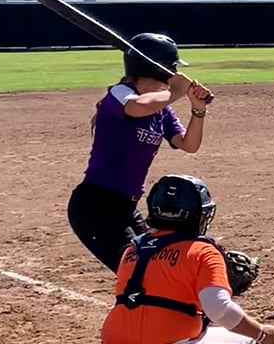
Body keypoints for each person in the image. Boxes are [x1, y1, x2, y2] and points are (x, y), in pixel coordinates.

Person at [93, 174, 274, 344]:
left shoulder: (132, 250)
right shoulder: (203, 251)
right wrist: (262, 332)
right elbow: (220, 311)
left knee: (142, 325)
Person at [67, 33, 211, 272]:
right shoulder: (121, 93)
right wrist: (176, 91)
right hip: (96, 206)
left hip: (126, 207)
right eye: (172, 67)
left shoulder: (161, 110)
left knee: (155, 264)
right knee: (140, 272)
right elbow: (137, 107)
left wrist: (198, 110)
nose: (175, 72)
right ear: (156, 68)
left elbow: (189, 144)